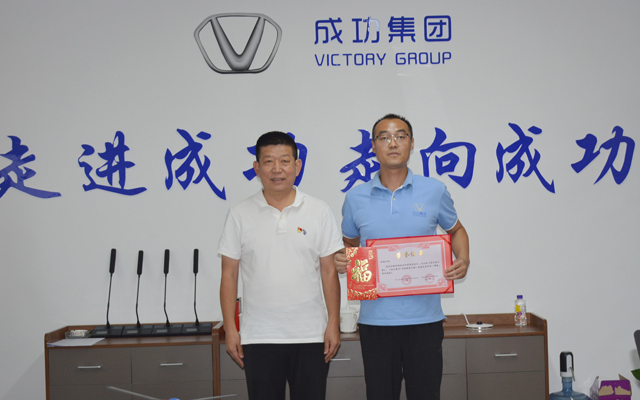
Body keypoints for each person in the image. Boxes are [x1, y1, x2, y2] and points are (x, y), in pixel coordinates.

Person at [334, 114, 470, 400]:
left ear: (412, 143)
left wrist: (463, 258)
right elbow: (348, 244)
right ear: (373, 146)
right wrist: (342, 258)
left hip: (425, 320)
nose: (393, 143)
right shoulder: (356, 197)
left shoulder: (434, 190)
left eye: (400, 136)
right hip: (375, 323)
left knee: (426, 395)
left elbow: (457, 230)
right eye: (384, 137)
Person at [218, 131, 343, 400]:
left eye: (285, 161)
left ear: (297, 166)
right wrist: (231, 329)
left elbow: (329, 271)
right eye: (268, 161)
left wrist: (333, 322)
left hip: (311, 335)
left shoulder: (319, 210)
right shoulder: (239, 214)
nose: (277, 169)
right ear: (257, 168)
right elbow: (229, 274)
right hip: (258, 337)